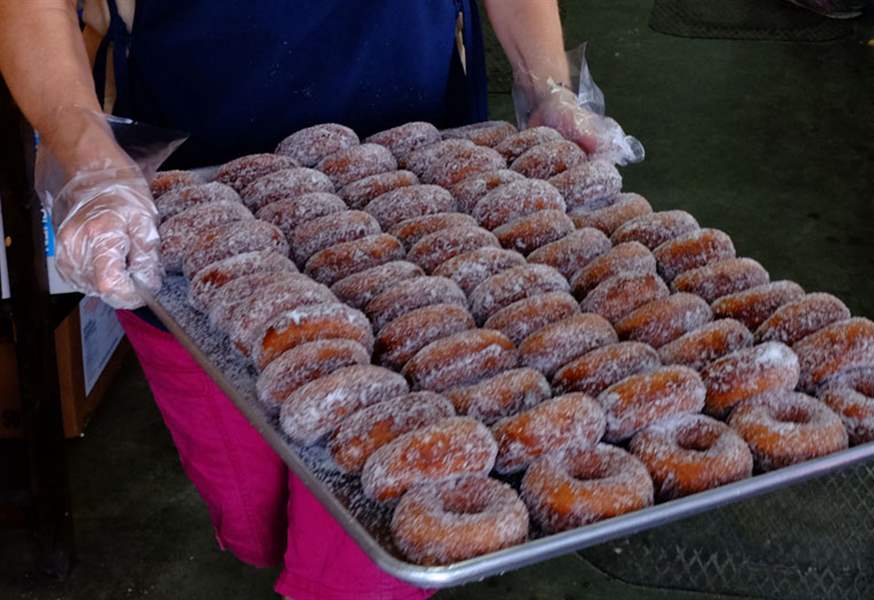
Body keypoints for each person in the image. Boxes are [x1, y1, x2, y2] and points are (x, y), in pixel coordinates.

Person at [0, 1, 634, 598]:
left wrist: (547, 86)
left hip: (427, 214)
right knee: (252, 516)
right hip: (201, 241)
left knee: (358, 556)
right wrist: (82, 149)